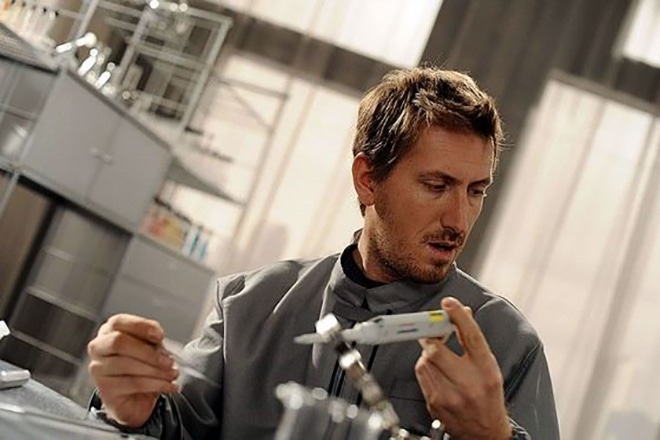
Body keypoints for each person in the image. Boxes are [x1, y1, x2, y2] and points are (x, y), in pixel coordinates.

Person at [87, 66, 560, 439]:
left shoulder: (507, 344)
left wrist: (492, 437)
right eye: (436, 185)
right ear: (368, 179)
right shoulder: (246, 305)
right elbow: (175, 428)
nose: (459, 219)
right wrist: (130, 410)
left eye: (476, 191)